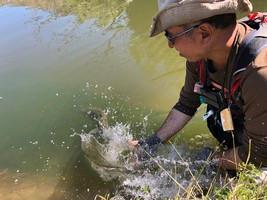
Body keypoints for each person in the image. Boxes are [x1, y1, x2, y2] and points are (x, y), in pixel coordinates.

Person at [130, 0, 267, 170]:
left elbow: (258, 155)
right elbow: (187, 104)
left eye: (171, 36)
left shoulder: (258, 73)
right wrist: (152, 143)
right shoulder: (201, 57)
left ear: (204, 34)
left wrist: (210, 161)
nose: (170, 44)